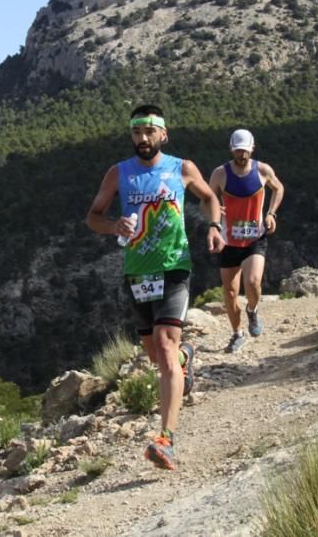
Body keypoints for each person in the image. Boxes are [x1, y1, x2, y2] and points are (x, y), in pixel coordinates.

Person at [86, 104, 226, 470]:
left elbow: (210, 198)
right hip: (137, 272)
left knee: (164, 345)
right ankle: (184, 360)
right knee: (157, 355)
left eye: (150, 131)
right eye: (137, 132)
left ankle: (166, 439)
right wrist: (113, 225)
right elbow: (93, 216)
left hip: (174, 267)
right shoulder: (118, 174)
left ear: (164, 134)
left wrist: (214, 227)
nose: (143, 138)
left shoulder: (181, 168)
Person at [208, 129, 285, 353]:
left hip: (254, 237)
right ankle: (237, 333)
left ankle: (252, 310)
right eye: (238, 151)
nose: (242, 155)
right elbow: (207, 197)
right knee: (230, 292)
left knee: (252, 282)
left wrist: (271, 214)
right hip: (228, 240)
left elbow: (278, 188)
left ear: (252, 149)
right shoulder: (220, 174)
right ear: (231, 149)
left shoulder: (263, 170)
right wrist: (213, 209)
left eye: (245, 151)